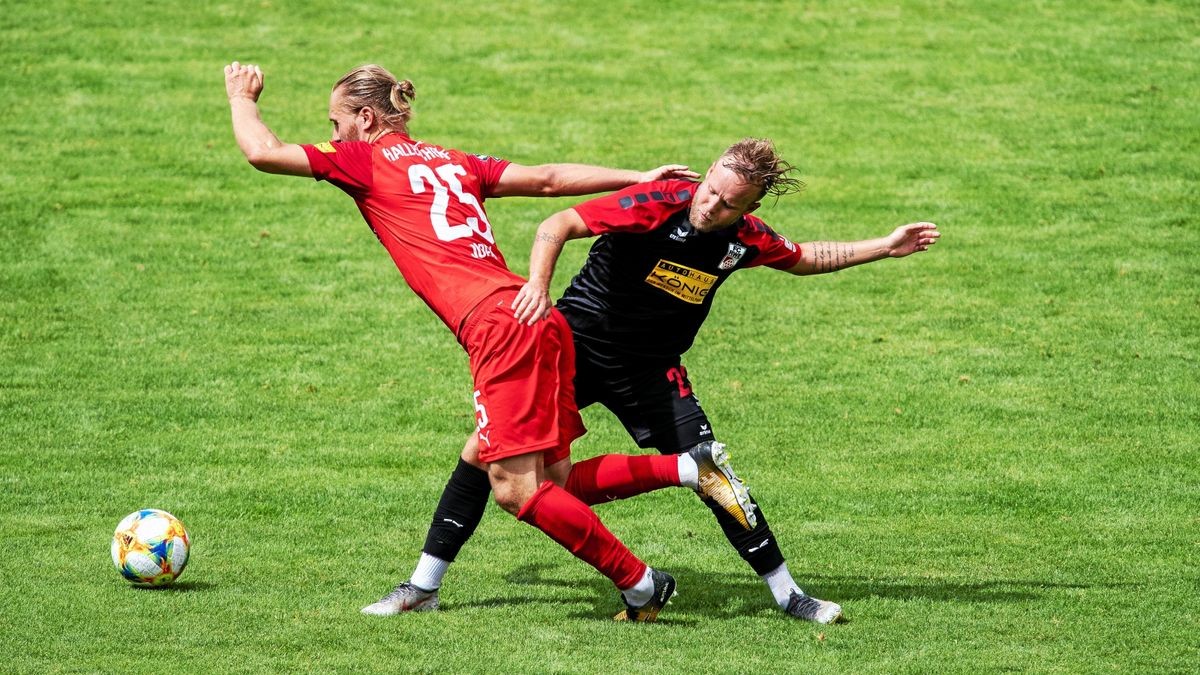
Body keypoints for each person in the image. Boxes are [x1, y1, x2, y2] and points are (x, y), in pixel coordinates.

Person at [222, 61, 762, 622]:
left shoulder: (363, 158)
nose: (333, 136)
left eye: (336, 123)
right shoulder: (455, 161)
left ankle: (641, 582)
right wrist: (637, 177)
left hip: (498, 328)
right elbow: (549, 178)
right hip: (538, 318)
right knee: (537, 474)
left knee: (516, 491)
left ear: (364, 118)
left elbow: (264, 152)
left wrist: (242, 97)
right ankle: (680, 470)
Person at [393, 138, 940, 624]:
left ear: (748, 208)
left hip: (652, 370)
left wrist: (885, 247)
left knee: (717, 474)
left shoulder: (744, 239)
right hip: (574, 352)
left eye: (729, 203)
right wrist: (538, 285)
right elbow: (558, 224)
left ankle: (789, 593)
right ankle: (424, 584)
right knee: (485, 456)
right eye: (709, 189)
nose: (710, 204)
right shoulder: (654, 203)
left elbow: (801, 257)